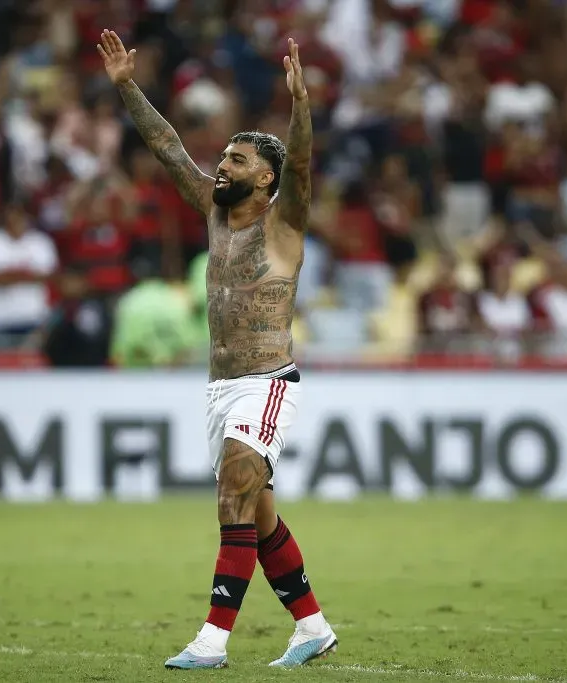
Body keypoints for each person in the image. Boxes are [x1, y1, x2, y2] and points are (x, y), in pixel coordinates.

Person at [99, 30, 337, 669]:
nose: (222, 166)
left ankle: (212, 640)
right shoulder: (212, 212)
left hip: (266, 383)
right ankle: (312, 626)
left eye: (235, 160)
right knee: (257, 520)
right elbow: (167, 147)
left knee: (234, 492)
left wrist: (300, 109)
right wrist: (127, 87)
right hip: (218, 387)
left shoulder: (284, 224)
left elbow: (306, 165)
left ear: (266, 178)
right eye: (224, 158)